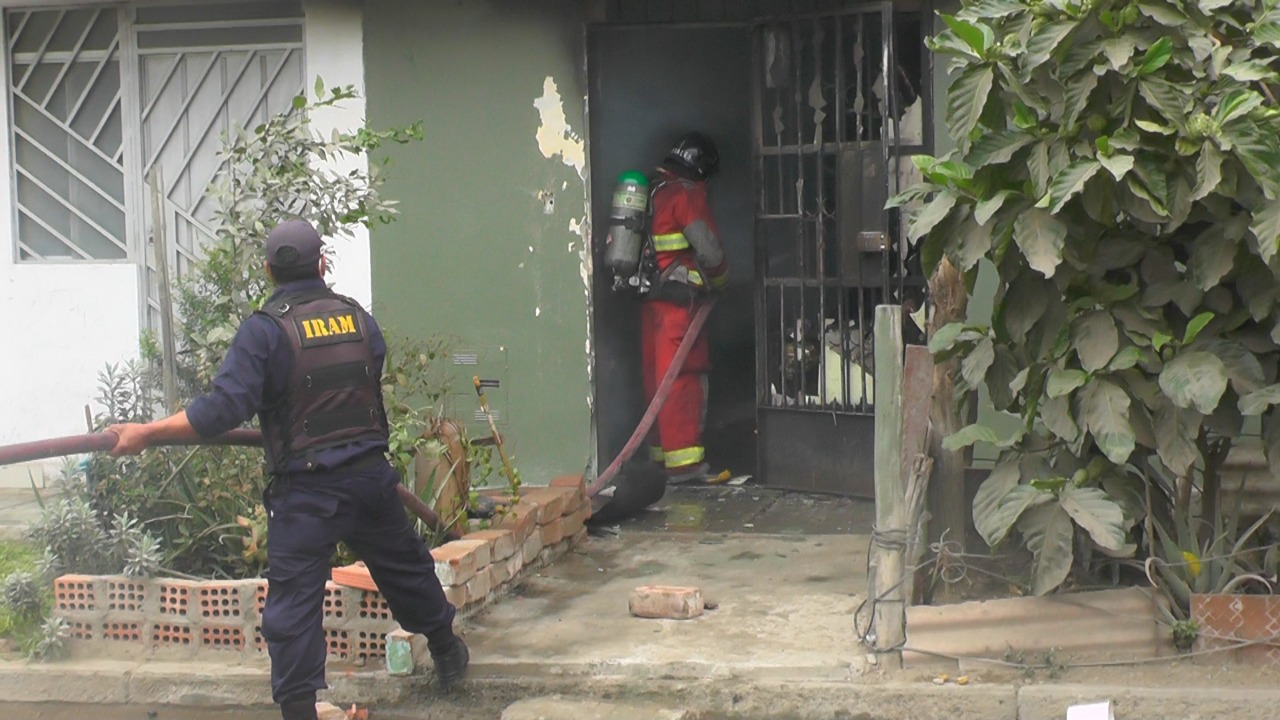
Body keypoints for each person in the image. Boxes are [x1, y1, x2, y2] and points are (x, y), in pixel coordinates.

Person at [107, 220, 468, 720]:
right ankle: (449, 653)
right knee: (405, 567)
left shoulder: (265, 330)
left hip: (307, 492)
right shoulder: (357, 319)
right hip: (368, 479)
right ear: (322, 264)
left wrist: (146, 433)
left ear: (268, 270)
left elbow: (219, 412)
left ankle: (300, 709)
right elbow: (367, 375)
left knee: (295, 605)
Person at [642, 132, 729, 483]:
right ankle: (685, 463)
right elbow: (710, 252)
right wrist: (722, 284)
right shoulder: (687, 195)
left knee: (656, 376)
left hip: (651, 303)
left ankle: (660, 456)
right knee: (682, 378)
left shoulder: (653, 191)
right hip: (681, 307)